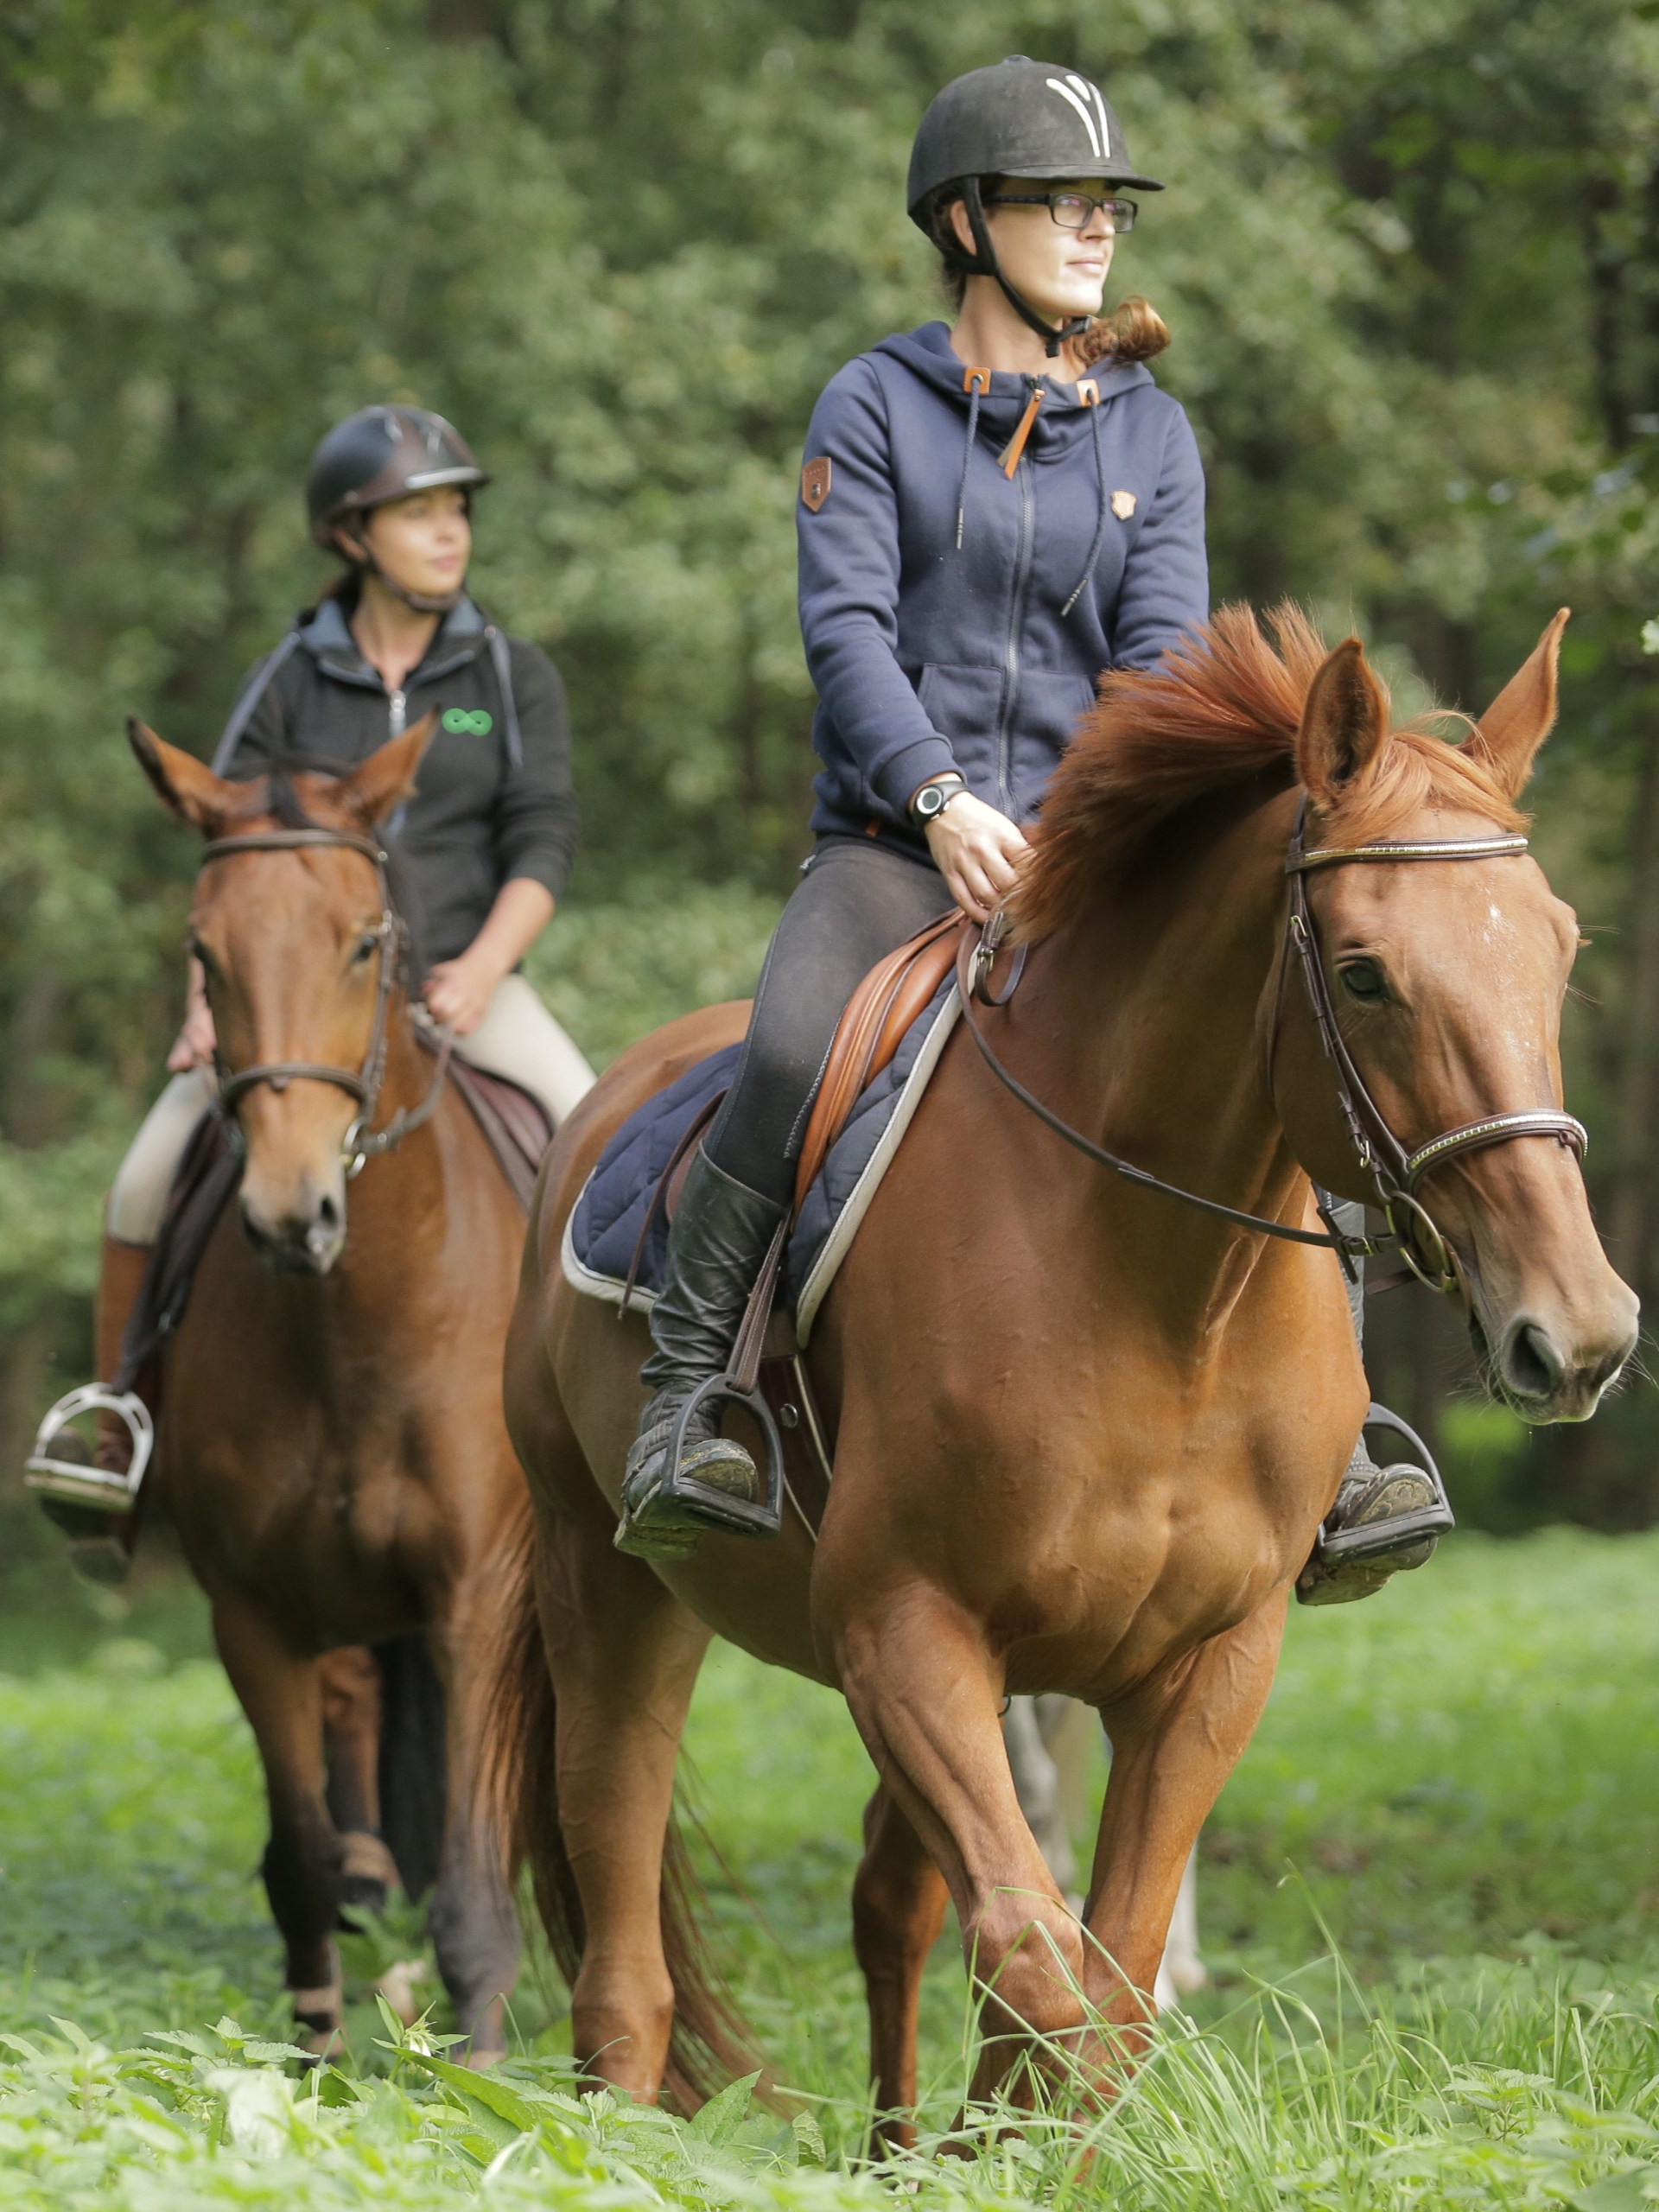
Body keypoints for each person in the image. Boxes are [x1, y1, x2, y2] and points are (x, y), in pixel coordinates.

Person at [615, 55, 1452, 1600]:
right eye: (1060, 203)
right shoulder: (870, 403)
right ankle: (691, 1402)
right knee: (793, 1048)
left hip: (1091, 865)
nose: (1096, 229)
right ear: (964, 218)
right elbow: (848, 632)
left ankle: (1344, 1437)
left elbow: (1155, 666)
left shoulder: (1151, 435)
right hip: (890, 847)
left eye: (1107, 207)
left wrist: (1072, 837)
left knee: (1281, 1043)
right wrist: (938, 800)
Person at [41, 405, 594, 1510]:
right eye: (418, 513)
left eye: (457, 510)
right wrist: (206, 1004)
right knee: (147, 1173)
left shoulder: (504, 675)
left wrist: (485, 966)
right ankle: (116, 1430)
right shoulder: (289, 676)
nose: (450, 534)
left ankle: (618, 1432)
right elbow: (227, 853)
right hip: (301, 1005)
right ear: (350, 536)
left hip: (463, 988)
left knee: (597, 1142)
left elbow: (543, 839)